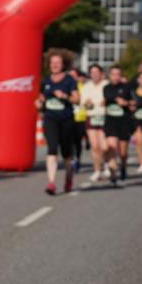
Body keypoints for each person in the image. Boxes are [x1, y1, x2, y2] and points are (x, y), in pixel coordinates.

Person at [34, 49, 79, 194]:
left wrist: (65, 96)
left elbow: (77, 99)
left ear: (63, 64)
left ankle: (68, 177)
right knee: (52, 149)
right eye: (52, 63)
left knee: (66, 154)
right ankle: (51, 183)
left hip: (66, 119)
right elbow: (40, 99)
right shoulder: (45, 81)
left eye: (58, 63)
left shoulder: (69, 80)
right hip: (50, 119)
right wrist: (38, 104)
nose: (55, 65)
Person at [102, 64, 133, 185]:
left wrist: (126, 102)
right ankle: (113, 173)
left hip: (124, 122)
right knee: (112, 147)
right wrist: (117, 99)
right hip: (111, 122)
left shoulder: (126, 88)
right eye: (113, 74)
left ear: (121, 76)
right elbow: (107, 96)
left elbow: (134, 101)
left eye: (118, 74)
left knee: (123, 152)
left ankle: (123, 166)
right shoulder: (106, 87)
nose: (115, 77)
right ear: (110, 75)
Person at [80, 64, 108, 182]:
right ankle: (97, 170)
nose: (95, 74)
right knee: (95, 146)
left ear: (101, 73)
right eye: (92, 72)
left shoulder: (107, 85)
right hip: (91, 117)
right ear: (90, 74)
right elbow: (84, 103)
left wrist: (101, 102)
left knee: (104, 147)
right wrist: (89, 103)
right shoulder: (86, 87)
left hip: (104, 117)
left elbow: (107, 100)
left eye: (97, 72)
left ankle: (106, 164)